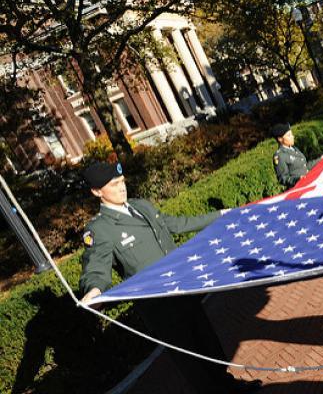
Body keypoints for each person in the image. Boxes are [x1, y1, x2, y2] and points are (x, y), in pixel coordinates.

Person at [78, 162, 262, 394]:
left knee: (208, 345)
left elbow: (176, 224)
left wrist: (221, 216)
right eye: (114, 185)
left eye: (122, 181)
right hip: (160, 307)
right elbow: (96, 267)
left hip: (184, 290)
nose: (122, 188)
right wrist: (94, 290)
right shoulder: (101, 229)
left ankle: (229, 386)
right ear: (96, 192)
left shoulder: (141, 206)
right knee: (192, 361)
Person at [272, 123, 319, 189]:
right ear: (280, 139)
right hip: (297, 188)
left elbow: (305, 167)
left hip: (308, 183)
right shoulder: (279, 155)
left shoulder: (294, 149)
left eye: (291, 134)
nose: (292, 137)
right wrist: (297, 179)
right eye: (289, 135)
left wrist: (321, 159)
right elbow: (283, 178)